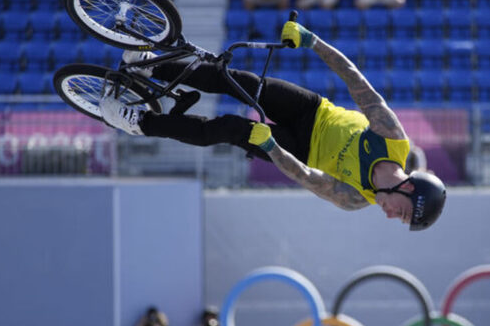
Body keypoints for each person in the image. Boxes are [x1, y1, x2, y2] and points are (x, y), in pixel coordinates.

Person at [99, 18, 446, 231]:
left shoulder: (357, 198)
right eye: (401, 215)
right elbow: (354, 80)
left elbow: (306, 177)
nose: (389, 217)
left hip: (295, 151)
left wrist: (271, 148)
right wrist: (312, 41)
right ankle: (150, 66)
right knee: (237, 80)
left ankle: (139, 122)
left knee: (227, 129)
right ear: (409, 189)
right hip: (313, 112)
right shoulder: (392, 139)